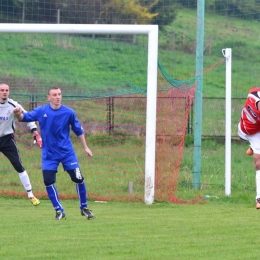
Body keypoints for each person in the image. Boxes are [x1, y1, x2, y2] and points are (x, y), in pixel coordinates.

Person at [14, 87, 94, 220]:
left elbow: (78, 130)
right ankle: (59, 211)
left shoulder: (69, 112)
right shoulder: (41, 111)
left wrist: (86, 147)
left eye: (59, 94)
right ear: (48, 97)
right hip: (49, 154)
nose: (58, 97)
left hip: (67, 153)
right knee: (48, 181)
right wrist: (17, 113)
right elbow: (24, 117)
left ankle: (84, 208)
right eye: (55, 95)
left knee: (78, 178)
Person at [0, 83, 40, 205]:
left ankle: (30, 194)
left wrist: (34, 130)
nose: (4, 92)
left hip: (7, 140)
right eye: (2, 90)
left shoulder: (13, 105)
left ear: (9, 92)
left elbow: (27, 117)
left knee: (18, 165)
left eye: (6, 90)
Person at [238, 87, 260, 209]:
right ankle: (253, 147)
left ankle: (259, 198)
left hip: (258, 132)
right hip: (247, 131)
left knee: (258, 163)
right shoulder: (253, 93)